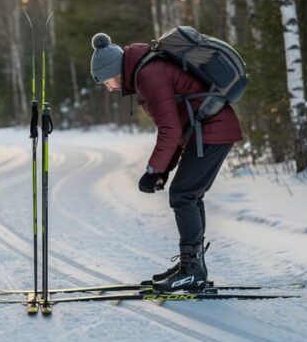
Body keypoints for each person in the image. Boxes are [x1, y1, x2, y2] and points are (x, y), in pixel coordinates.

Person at [89, 32, 243, 292]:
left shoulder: (149, 75)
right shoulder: (146, 72)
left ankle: (192, 270)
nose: (109, 87)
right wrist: (164, 169)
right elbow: (176, 126)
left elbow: (170, 129)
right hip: (207, 130)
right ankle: (191, 266)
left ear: (115, 70)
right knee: (189, 195)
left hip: (213, 129)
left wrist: (153, 170)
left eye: (106, 81)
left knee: (184, 195)